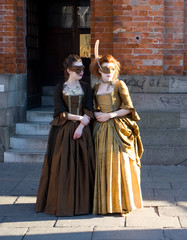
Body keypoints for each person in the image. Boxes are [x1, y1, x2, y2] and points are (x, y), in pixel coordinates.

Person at [35, 54, 95, 216]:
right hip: (63, 131)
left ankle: (83, 204)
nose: (81, 72)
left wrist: (81, 126)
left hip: (83, 130)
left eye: (82, 68)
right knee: (62, 165)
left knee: (83, 165)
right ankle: (62, 202)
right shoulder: (59, 87)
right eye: (77, 69)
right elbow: (59, 112)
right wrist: (78, 118)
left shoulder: (86, 87)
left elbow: (89, 109)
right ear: (68, 70)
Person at [90, 54, 143, 215]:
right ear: (99, 70)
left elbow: (129, 108)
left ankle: (121, 203)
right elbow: (94, 107)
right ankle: (105, 203)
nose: (109, 72)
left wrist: (110, 115)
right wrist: (96, 114)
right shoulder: (95, 88)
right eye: (106, 69)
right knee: (102, 164)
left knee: (119, 163)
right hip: (100, 130)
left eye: (112, 69)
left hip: (117, 128)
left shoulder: (120, 85)